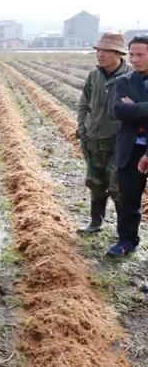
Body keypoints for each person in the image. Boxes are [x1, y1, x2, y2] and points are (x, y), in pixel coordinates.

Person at [76, 32, 131, 234]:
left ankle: (122, 229)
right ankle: (95, 222)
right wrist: (83, 128)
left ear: (118, 53)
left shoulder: (130, 77)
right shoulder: (94, 75)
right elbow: (83, 103)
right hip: (93, 140)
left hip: (118, 142)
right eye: (98, 50)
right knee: (95, 182)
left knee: (118, 187)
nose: (100, 54)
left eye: (106, 50)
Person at [111, 34, 148, 257]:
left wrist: (137, 108)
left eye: (140, 54)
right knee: (129, 200)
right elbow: (119, 110)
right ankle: (126, 240)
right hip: (131, 149)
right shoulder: (124, 81)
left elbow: (130, 111)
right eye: (132, 54)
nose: (134, 59)